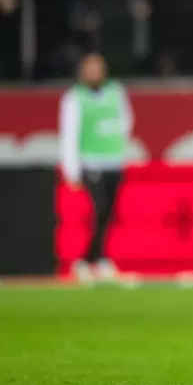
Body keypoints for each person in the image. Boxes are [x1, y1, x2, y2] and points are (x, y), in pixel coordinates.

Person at [59, 52, 134, 283]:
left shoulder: (116, 92)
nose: (94, 72)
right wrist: (71, 168)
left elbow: (127, 120)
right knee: (99, 209)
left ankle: (95, 259)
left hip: (113, 159)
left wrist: (118, 140)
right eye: (90, 68)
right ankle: (89, 259)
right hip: (90, 161)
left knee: (109, 213)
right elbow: (69, 133)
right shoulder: (74, 97)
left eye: (98, 68)